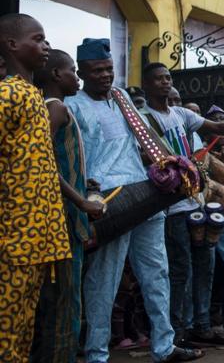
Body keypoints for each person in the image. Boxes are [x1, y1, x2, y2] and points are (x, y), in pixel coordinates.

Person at [65, 38, 191, 362]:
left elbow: (146, 141)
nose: (105, 76)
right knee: (103, 280)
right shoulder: (72, 105)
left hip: (144, 194)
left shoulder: (121, 98)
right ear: (82, 73)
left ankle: (164, 347)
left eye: (109, 69)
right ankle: (96, 354)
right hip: (110, 202)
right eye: (97, 71)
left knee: (157, 273)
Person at [140, 63, 224, 350]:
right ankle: (177, 333)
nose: (165, 82)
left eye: (168, 77)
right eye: (158, 79)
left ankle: (201, 326)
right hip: (169, 205)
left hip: (195, 199)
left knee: (204, 265)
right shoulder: (143, 118)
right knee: (180, 271)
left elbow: (217, 127)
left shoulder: (180, 113)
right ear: (146, 84)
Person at [0, 15, 72, 363]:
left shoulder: (32, 95)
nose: (46, 46)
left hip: (37, 236)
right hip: (14, 235)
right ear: (12, 45)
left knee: (24, 325)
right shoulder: (8, 93)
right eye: (38, 38)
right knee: (8, 327)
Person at [30, 49, 106, 363]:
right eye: (73, 71)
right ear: (57, 76)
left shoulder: (58, 108)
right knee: (65, 300)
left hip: (68, 216)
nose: (77, 77)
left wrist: (86, 185)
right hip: (63, 219)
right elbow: (45, 163)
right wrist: (81, 203)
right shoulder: (55, 109)